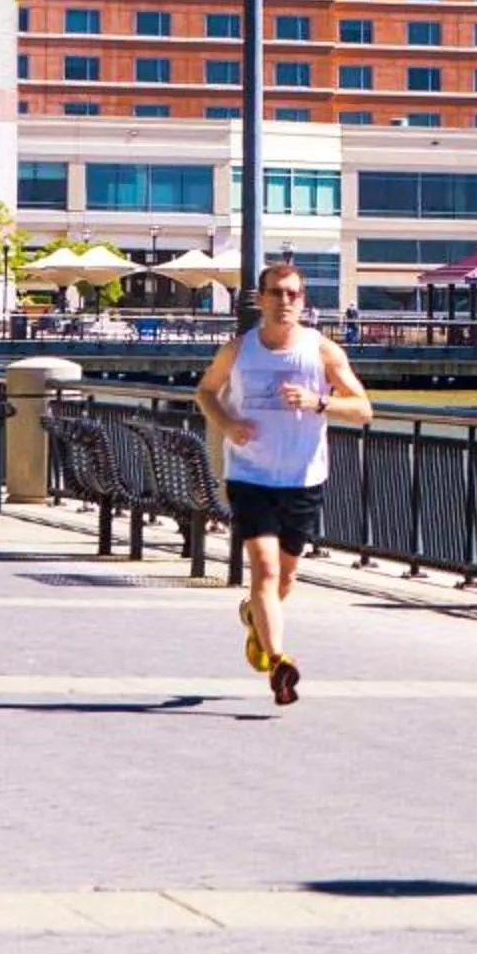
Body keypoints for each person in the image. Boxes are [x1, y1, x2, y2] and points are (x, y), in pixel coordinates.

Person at [195, 261, 366, 707]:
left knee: (284, 578)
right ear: (260, 299)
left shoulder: (322, 351)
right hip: (250, 475)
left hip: (304, 477)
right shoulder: (238, 351)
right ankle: (279, 663)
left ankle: (254, 618)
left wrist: (318, 401)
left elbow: (364, 409)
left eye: (292, 294)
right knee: (266, 569)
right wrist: (227, 424)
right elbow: (205, 391)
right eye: (276, 293)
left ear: (303, 300)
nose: (284, 301)